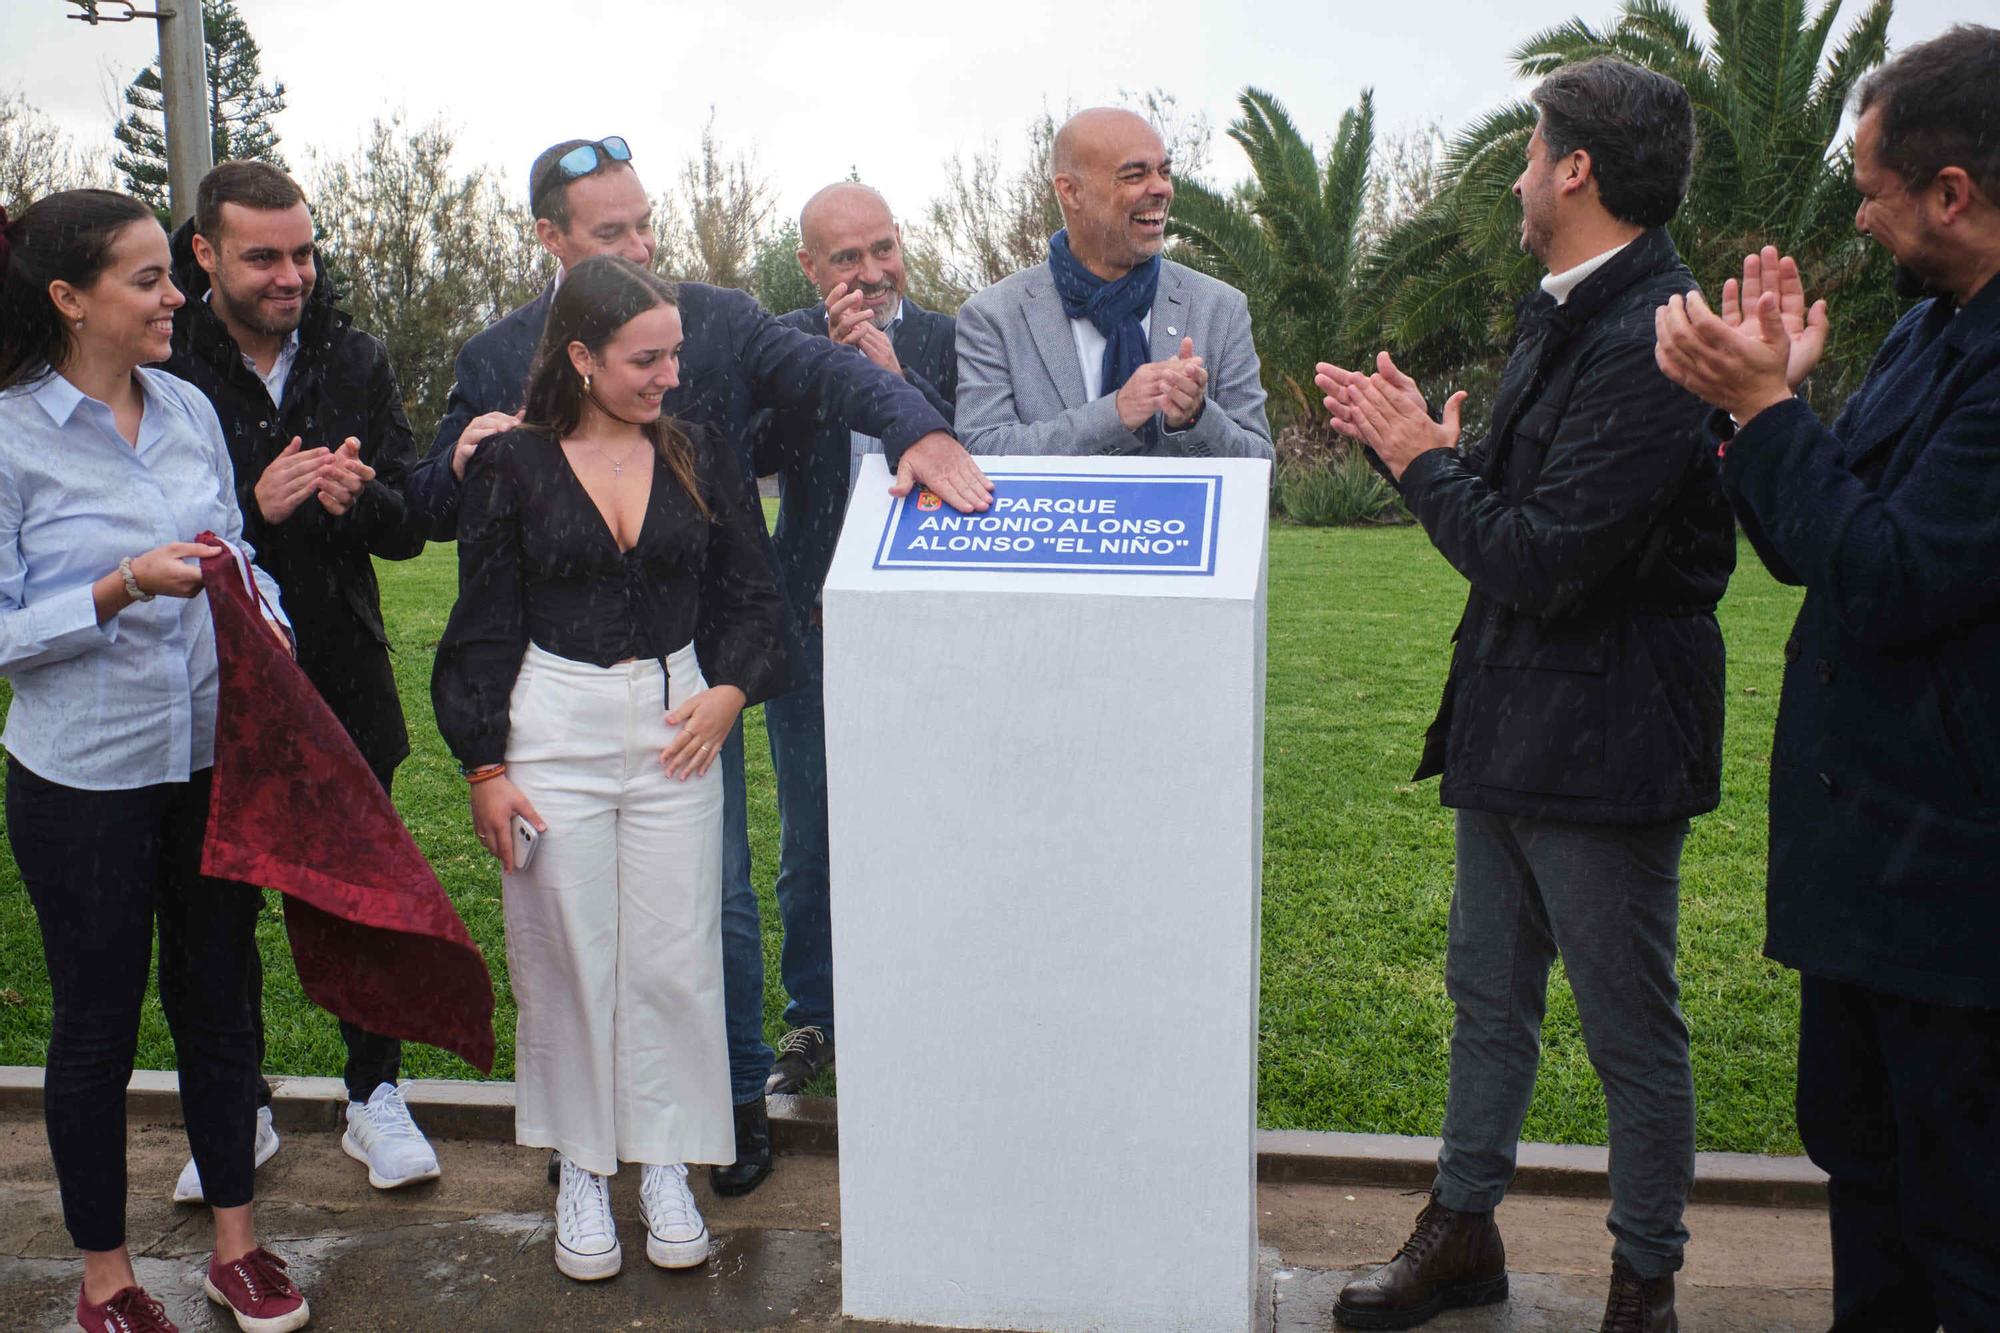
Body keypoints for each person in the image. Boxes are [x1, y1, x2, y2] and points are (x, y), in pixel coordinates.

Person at [407, 135, 990, 1198]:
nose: (642, 247)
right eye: (612, 232)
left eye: (645, 223)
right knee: (570, 921)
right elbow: (427, 510)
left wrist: (914, 425)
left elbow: (820, 366)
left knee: (708, 904)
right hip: (553, 695)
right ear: (551, 240)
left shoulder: (714, 317)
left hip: (690, 683)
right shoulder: (498, 354)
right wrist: (453, 458)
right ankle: (591, 1138)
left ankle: (720, 1108)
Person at [1317, 58, 1731, 1332]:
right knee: (1484, 999)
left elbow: (1542, 559)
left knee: (1626, 1027)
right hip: (1509, 720)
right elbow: (1495, 508)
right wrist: (1417, 454)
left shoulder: (1656, 336)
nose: (1513, 173)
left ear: (1574, 168)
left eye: (1529, 148)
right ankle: (1461, 1233)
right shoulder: (1565, 311)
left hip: (1603, 742)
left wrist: (1420, 460)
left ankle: (1642, 1280)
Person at [1653, 25, 2000, 1329]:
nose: (1857, 217)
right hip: (1870, 867)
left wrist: (1767, 414)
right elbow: (1820, 548)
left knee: (1965, 1220)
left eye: (1872, 188)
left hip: (1962, 895)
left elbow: (1901, 571)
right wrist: (1768, 405)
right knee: (1868, 1174)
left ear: (1951, 192)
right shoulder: (1930, 332)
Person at [431, 256, 788, 1283]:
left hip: (677, 719)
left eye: (674, 352)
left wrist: (728, 693)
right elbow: (481, 622)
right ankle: (584, 1167)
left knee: (675, 955)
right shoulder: (511, 467)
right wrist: (484, 768)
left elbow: (750, 597)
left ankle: (666, 1160)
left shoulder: (701, 455)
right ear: (581, 358)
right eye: (646, 357)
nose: (669, 373)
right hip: (551, 723)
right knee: (566, 956)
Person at [0, 189, 309, 1332]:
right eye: (146, 279)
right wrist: (123, 583)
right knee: (97, 1022)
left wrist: (265, 619)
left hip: (206, 762)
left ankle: (238, 1243)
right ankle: (106, 1279)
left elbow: (233, 552)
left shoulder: (185, 408)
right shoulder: (9, 436)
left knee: (220, 1003)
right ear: (71, 299)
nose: (175, 294)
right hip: (81, 780)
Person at [161, 159, 441, 1201]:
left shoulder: (352, 354)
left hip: (340, 671)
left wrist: (355, 498)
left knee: (358, 895)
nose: (292, 275)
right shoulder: (169, 360)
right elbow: (141, 525)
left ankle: (376, 1098)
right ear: (204, 255)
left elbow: (411, 522)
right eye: (264, 256)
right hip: (211, 682)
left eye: (305, 252)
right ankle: (236, 1112)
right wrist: (251, 503)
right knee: (211, 909)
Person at [748, 182, 958, 1095]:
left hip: (935, 625)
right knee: (813, 831)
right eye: (846, 257)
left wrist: (892, 379)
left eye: (882, 248)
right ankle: (815, 1017)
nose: (870, 271)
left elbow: (981, 444)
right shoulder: (783, 340)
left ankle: (928, 1001)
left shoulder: (951, 336)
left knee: (938, 818)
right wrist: (823, 376)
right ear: (808, 265)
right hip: (812, 622)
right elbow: (746, 452)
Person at [954, 107, 1273, 459]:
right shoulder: (992, 317)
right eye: (1134, 175)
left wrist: (1196, 417)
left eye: (1164, 172)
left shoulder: (1220, 309)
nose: (1161, 188)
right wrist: (1116, 414)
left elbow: (1261, 468)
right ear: (1070, 191)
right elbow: (982, 453)